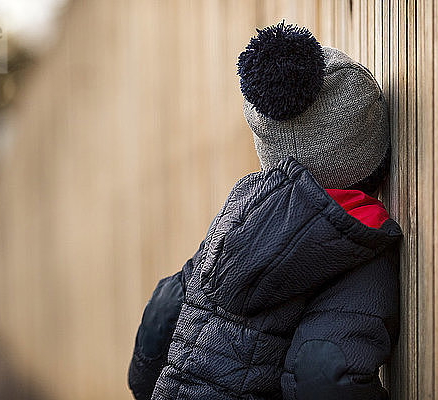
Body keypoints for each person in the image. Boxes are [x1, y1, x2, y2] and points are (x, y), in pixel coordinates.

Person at [128, 21, 402, 400]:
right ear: (373, 157)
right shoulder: (358, 243)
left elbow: (161, 318)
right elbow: (322, 376)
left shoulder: (239, 211)